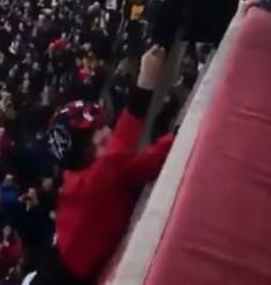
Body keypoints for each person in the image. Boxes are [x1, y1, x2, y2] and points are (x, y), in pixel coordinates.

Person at [25, 46, 175, 285]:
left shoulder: (80, 176)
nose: (106, 131)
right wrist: (145, 85)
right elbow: (129, 152)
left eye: (102, 126)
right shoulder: (95, 179)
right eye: (97, 133)